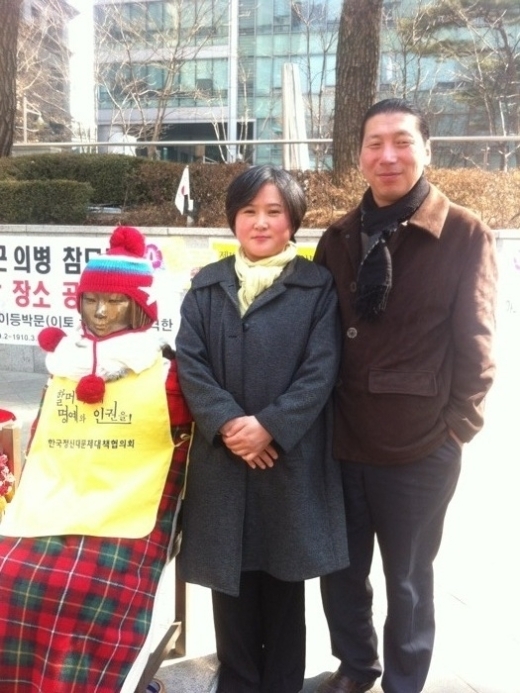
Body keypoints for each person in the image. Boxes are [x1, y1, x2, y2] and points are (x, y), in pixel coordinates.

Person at [313, 98, 497, 693]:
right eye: (374, 143)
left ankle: (404, 681)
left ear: (425, 150)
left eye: (401, 141)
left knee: (409, 579)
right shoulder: (339, 236)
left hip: (421, 445)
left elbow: (477, 340)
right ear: (360, 154)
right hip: (341, 439)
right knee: (340, 572)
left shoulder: (463, 232)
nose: (387, 155)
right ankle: (357, 666)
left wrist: (457, 426)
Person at [175, 164, 349, 693]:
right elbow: (190, 363)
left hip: (287, 462)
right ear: (233, 219)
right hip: (224, 463)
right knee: (230, 586)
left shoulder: (316, 287)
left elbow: (322, 370)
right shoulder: (205, 288)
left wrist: (270, 426)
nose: (260, 222)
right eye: (249, 211)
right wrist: (230, 424)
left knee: (283, 585)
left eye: (274, 211)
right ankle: (239, 682)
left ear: (293, 220)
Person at [0, 226, 192, 692]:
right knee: (9, 575)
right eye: (91, 300)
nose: (101, 312)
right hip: (54, 504)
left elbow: (184, 451)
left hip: (129, 514)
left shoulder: (167, 371)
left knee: (81, 590)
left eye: (116, 301)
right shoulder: (65, 366)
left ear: (140, 307)